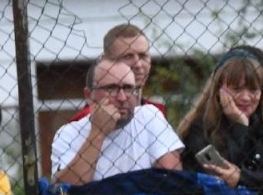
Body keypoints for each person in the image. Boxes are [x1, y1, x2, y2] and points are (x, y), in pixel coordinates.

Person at [177, 50, 263, 194]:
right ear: (218, 90)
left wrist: (243, 178)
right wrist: (239, 126)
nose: (246, 98)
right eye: (236, 89)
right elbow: (220, 180)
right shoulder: (199, 127)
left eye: (253, 90)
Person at [51, 57, 182, 184]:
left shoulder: (149, 116)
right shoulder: (68, 133)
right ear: (89, 96)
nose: (122, 97)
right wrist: (97, 133)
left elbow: (172, 180)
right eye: (111, 88)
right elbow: (66, 191)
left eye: (128, 88)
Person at [69, 24, 167, 122]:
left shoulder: (156, 111)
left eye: (143, 56)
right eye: (128, 56)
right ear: (106, 61)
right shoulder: (85, 120)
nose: (138, 65)